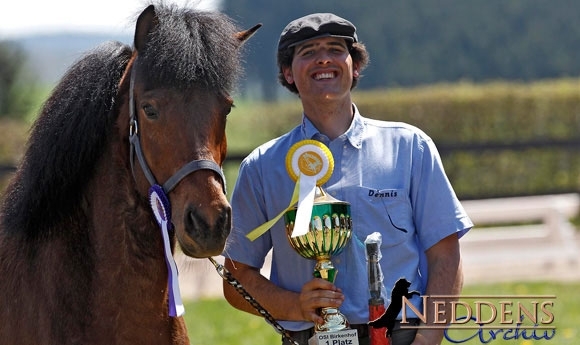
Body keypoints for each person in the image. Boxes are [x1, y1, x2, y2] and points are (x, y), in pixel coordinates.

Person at [222, 12, 472, 345]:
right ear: (287, 73)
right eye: (307, 51)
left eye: (335, 49)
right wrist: (295, 306)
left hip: (402, 334)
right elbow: (236, 279)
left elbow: (445, 256)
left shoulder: (410, 147)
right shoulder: (261, 167)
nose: (323, 57)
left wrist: (427, 338)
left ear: (354, 66)